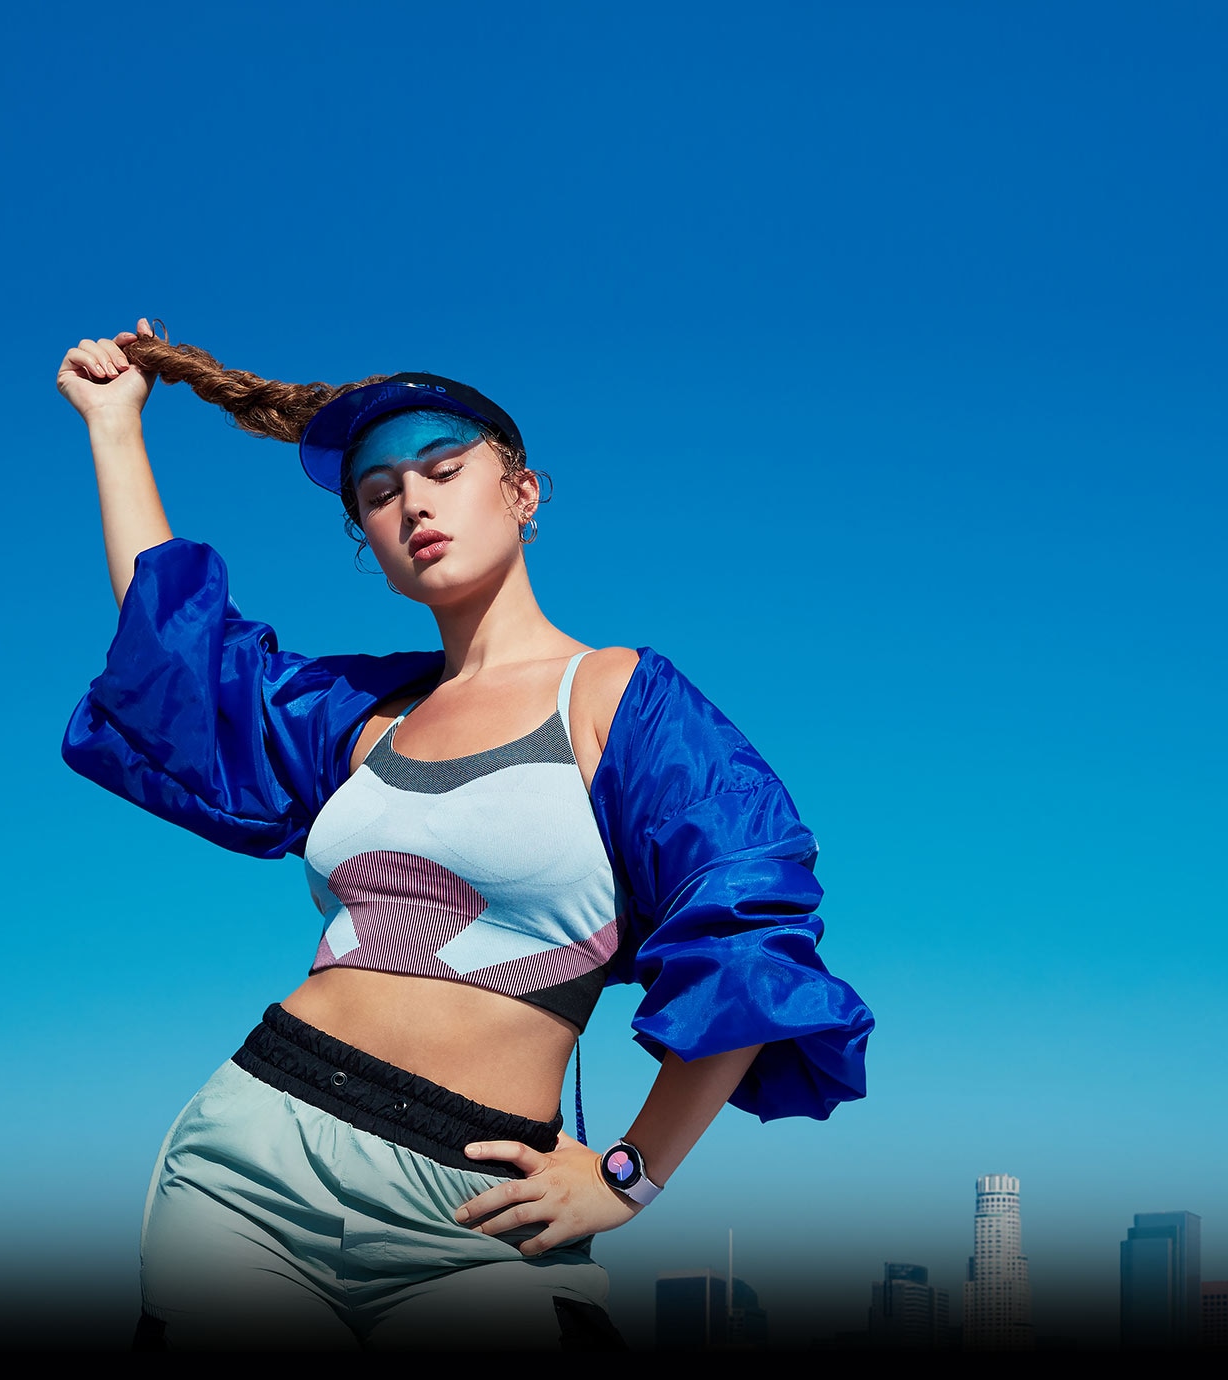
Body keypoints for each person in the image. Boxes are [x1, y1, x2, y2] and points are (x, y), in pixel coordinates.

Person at [54, 320, 874, 1350]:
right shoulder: (358, 716)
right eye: (379, 493)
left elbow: (755, 935)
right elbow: (177, 657)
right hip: (250, 1161)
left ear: (523, 495)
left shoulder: (617, 699)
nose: (414, 503)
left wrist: (629, 1175)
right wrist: (115, 425)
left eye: (443, 469)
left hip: (476, 1203)